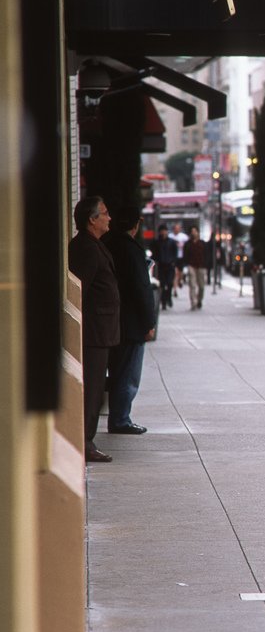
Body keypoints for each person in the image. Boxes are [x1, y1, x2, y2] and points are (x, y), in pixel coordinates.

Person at [68, 196, 120, 463]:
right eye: (105, 213)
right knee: (92, 389)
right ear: (92, 219)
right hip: (93, 332)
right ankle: (85, 442)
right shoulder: (86, 248)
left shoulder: (93, 245)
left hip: (100, 331)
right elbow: (80, 291)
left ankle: (87, 439)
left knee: (96, 387)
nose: (109, 218)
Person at [103, 206, 156, 435]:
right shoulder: (132, 250)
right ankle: (120, 419)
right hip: (131, 322)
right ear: (135, 225)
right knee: (128, 373)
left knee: (117, 370)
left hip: (113, 320)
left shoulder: (106, 243)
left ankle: (118, 417)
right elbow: (141, 289)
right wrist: (149, 323)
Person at [151, 224, 177, 310]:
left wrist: (174, 262)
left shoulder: (172, 242)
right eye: (162, 231)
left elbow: (175, 253)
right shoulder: (156, 242)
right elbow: (154, 254)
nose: (163, 232)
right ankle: (164, 301)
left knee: (169, 283)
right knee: (162, 284)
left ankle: (168, 297)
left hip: (170, 265)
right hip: (161, 266)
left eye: (164, 230)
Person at [183, 226, 206, 310]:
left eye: (195, 231)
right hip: (191, 265)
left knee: (201, 286)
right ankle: (193, 302)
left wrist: (206, 264)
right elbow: (185, 255)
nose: (193, 233)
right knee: (192, 285)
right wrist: (186, 264)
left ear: (198, 232)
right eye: (192, 231)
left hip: (201, 266)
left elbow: (207, 254)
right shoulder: (188, 244)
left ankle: (199, 300)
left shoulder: (202, 243)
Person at [170, 223, 188, 293]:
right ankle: (175, 289)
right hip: (173, 257)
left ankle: (180, 280)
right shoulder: (170, 236)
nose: (177, 230)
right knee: (175, 273)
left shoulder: (184, 237)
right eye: (175, 228)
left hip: (181, 257)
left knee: (180, 273)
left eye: (178, 228)